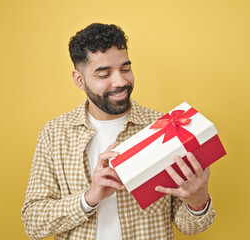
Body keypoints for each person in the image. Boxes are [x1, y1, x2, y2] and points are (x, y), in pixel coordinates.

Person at [21, 23, 216, 240]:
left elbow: (188, 227)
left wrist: (198, 202)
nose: (121, 81)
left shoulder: (165, 127)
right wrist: (89, 198)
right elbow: (32, 223)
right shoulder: (55, 134)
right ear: (79, 79)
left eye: (125, 69)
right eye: (104, 74)